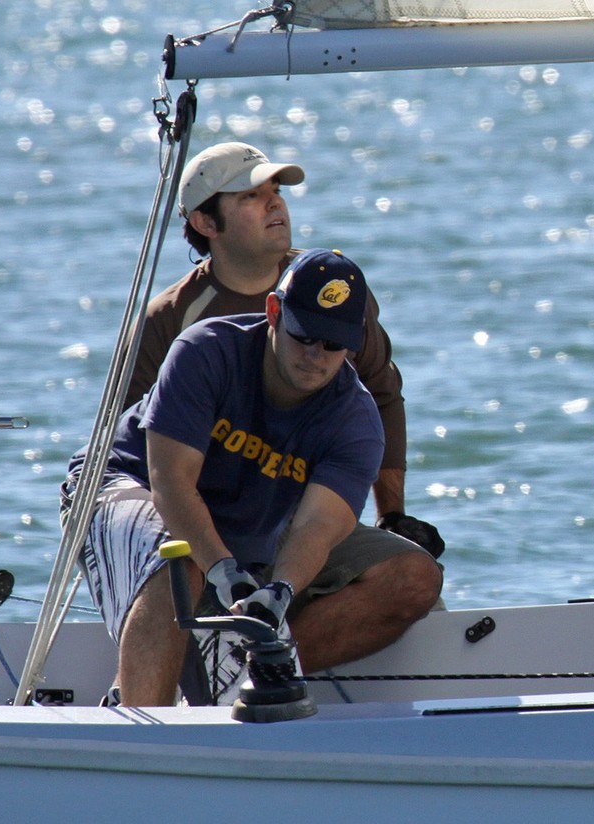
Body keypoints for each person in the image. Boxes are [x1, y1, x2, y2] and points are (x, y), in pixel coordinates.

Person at [63, 248, 444, 706]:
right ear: (274, 312)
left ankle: (228, 673)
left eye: (333, 345)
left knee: (412, 575)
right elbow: (171, 482)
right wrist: (223, 570)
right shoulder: (203, 351)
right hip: (120, 488)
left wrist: (279, 592)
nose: (316, 357)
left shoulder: (357, 421)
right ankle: (146, 728)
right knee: (180, 559)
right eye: (305, 337)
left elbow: (316, 527)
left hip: (251, 530)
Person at [126, 141, 442, 555]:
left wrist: (391, 516)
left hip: (302, 513)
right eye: (252, 196)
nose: (275, 205)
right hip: (198, 521)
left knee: (413, 577)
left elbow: (382, 397)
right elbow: (139, 449)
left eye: (276, 192)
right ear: (205, 222)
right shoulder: (169, 320)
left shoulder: (333, 291)